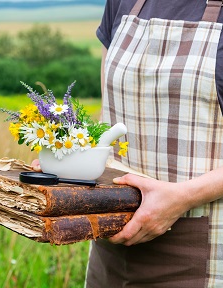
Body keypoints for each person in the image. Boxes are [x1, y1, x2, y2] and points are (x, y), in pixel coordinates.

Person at [83, 0, 223, 287]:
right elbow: (108, 117)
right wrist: (72, 162)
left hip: (201, 249)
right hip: (111, 245)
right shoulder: (122, 2)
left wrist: (183, 196)